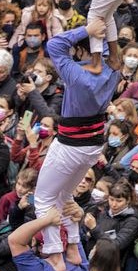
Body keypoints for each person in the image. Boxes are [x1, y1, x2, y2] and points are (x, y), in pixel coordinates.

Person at [32, 17, 121, 257]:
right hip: (91, 145)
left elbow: (54, 45)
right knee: (64, 196)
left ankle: (53, 250)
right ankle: (72, 241)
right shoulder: (113, 68)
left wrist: (88, 30)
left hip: (72, 143)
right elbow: (113, 50)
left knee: (42, 199)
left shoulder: (78, 73)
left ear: (81, 50)